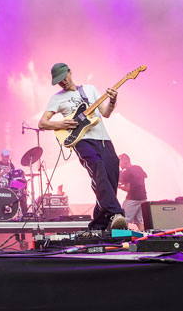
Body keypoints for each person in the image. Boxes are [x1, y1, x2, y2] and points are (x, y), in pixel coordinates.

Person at [39, 62, 127, 231]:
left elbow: (106, 113)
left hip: (103, 139)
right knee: (98, 168)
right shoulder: (57, 98)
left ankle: (98, 225)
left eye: (63, 78)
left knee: (111, 175)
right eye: (58, 81)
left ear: (70, 72)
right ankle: (116, 214)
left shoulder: (90, 90)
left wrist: (113, 100)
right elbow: (42, 123)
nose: (62, 82)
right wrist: (62, 124)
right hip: (81, 140)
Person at [118, 153, 148, 231]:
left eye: (119, 162)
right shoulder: (138, 168)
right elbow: (143, 177)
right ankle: (144, 235)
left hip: (133, 199)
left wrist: (119, 186)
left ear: (124, 161)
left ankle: (122, 237)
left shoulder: (126, 172)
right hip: (143, 198)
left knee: (123, 219)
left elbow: (128, 189)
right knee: (139, 221)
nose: (119, 164)